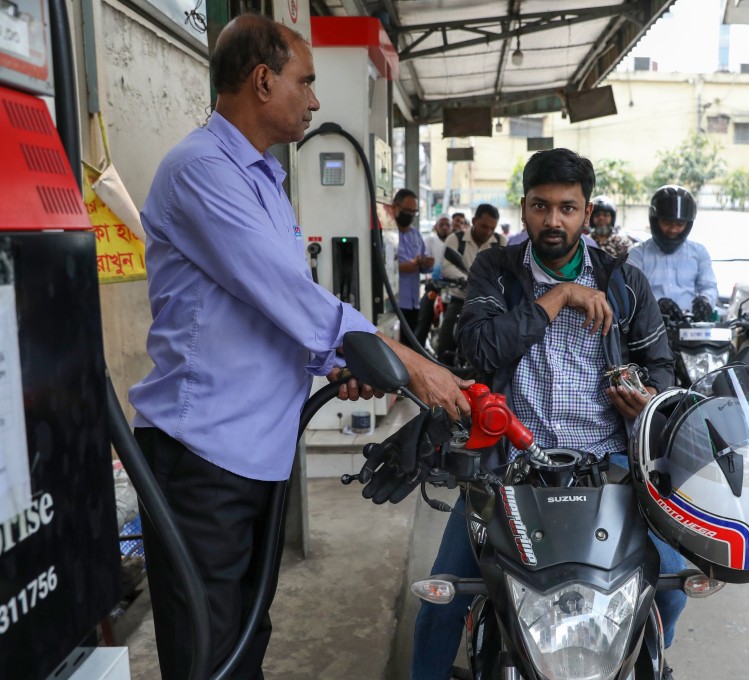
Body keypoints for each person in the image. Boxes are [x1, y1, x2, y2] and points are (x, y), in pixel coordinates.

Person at [127, 16, 470, 679]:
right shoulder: (202, 170)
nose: (315, 100)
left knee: (244, 639)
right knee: (209, 654)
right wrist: (409, 363)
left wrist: (341, 360)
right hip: (201, 455)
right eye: (305, 81)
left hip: (251, 451)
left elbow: (269, 313)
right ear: (263, 81)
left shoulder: (263, 179)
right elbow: (286, 293)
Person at [411, 148, 686, 680]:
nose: (553, 220)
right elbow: (481, 351)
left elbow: (663, 366)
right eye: (541, 206)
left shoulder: (625, 283)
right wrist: (559, 295)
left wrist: (647, 398)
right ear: (525, 207)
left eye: (567, 208)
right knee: (441, 604)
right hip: (507, 466)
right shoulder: (497, 270)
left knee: (669, 590)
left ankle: (647, 658)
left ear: (587, 213)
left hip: (610, 468)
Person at [627, 185, 718, 312]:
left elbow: (709, 287)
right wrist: (656, 305)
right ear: (655, 221)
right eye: (667, 223)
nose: (673, 229)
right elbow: (630, 292)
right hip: (650, 327)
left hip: (689, 326)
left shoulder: (699, 253)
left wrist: (705, 301)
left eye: (680, 224)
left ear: (688, 224)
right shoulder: (637, 254)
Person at [434, 203, 506, 363]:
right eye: (484, 226)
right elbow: (446, 267)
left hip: (489, 304)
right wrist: (468, 280)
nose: (488, 232)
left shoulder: (501, 242)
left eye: (492, 228)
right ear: (474, 220)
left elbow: (506, 271)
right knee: (445, 343)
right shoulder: (456, 239)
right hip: (460, 300)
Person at [394, 188, 434, 346]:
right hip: (396, 304)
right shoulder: (386, 235)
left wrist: (426, 264)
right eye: (406, 210)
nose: (410, 215)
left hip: (413, 302)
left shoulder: (416, 234)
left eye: (413, 211)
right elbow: (384, 267)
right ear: (395, 207)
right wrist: (405, 266)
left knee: (411, 347)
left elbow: (423, 264)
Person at [415, 214, 452, 345]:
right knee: (425, 314)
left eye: (448, 225)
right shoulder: (430, 241)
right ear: (435, 227)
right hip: (434, 286)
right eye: (441, 224)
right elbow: (424, 260)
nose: (445, 228)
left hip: (453, 288)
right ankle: (418, 349)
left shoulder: (455, 241)